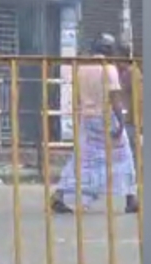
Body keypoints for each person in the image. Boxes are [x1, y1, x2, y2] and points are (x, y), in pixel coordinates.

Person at [50, 33, 139, 214]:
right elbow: (115, 99)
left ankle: (59, 194)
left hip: (88, 118)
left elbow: (77, 98)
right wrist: (121, 124)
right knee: (124, 157)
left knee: (82, 159)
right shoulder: (108, 69)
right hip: (105, 118)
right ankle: (131, 198)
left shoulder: (82, 69)